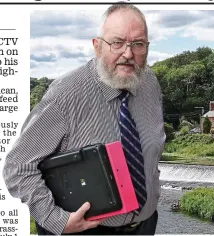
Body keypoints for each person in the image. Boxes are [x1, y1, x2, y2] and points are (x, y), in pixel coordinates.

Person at [2, 3, 164, 235]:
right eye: (117, 43)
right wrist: (55, 219)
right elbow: (18, 166)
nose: (128, 54)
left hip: (145, 226)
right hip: (87, 230)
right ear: (97, 47)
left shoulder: (149, 83)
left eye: (137, 44)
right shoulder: (66, 94)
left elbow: (151, 152)